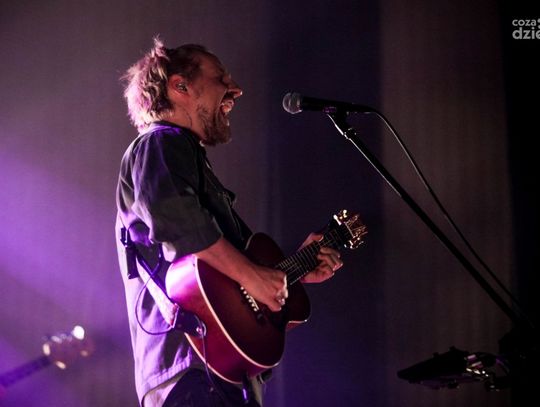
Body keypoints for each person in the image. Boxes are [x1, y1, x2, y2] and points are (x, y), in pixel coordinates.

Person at [115, 37, 343, 407]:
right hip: (189, 369)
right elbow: (179, 221)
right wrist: (253, 275)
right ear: (180, 86)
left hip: (219, 371)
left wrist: (293, 270)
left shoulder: (185, 155)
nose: (235, 89)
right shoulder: (160, 142)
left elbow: (222, 281)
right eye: (221, 78)